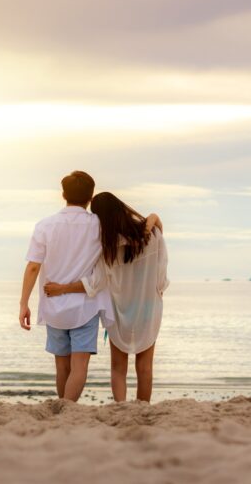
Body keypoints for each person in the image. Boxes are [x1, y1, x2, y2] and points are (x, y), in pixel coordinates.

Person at [18, 172, 161, 402]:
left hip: (53, 305)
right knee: (79, 366)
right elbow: (136, 237)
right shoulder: (100, 226)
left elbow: (33, 266)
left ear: (63, 194)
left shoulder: (45, 225)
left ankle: (63, 409)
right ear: (90, 195)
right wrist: (153, 219)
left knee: (62, 366)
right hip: (85, 307)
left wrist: (24, 303)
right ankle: (67, 407)